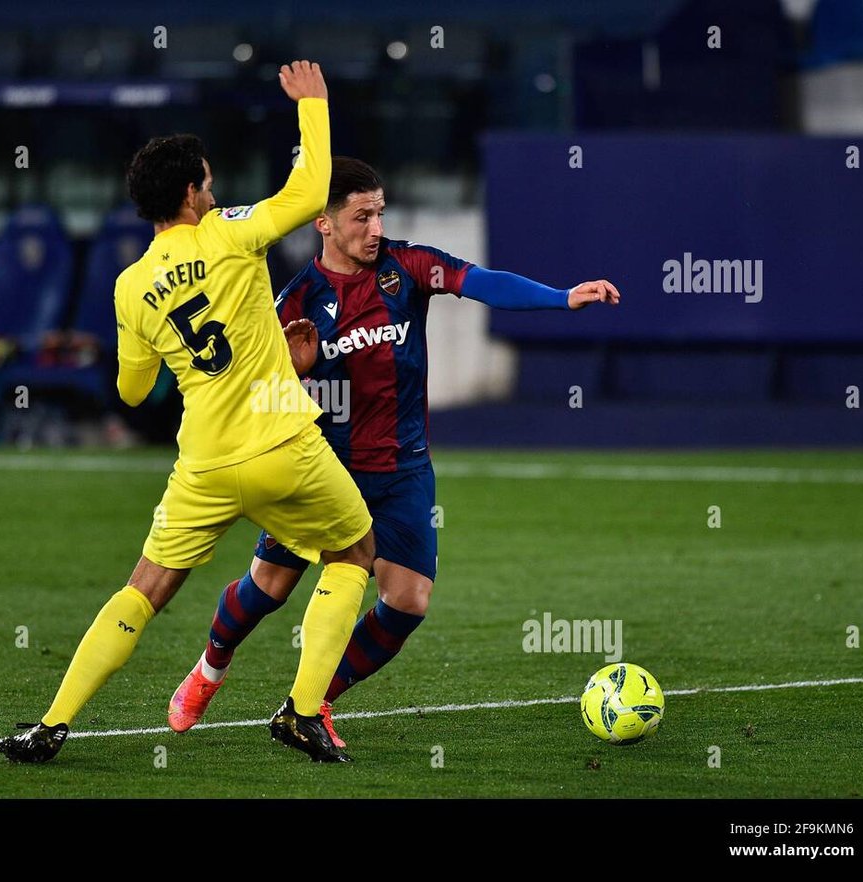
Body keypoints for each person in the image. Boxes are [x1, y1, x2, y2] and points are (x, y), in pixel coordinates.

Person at [167, 157, 621, 747]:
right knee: (268, 589)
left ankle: (311, 704)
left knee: (408, 601)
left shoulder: (406, 267)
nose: (375, 228)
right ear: (323, 224)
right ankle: (209, 670)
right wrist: (293, 371)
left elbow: (480, 282)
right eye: (362, 216)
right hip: (322, 470)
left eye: (380, 213)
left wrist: (562, 298)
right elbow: (256, 391)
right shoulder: (294, 300)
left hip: (403, 469)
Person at [0, 61, 374, 765]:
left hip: (203, 462)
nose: (215, 188)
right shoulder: (231, 231)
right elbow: (307, 191)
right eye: (208, 180)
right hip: (283, 444)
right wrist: (315, 106)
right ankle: (300, 712)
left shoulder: (129, 284)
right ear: (193, 194)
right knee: (353, 553)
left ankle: (50, 725)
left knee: (144, 589)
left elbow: (132, 392)